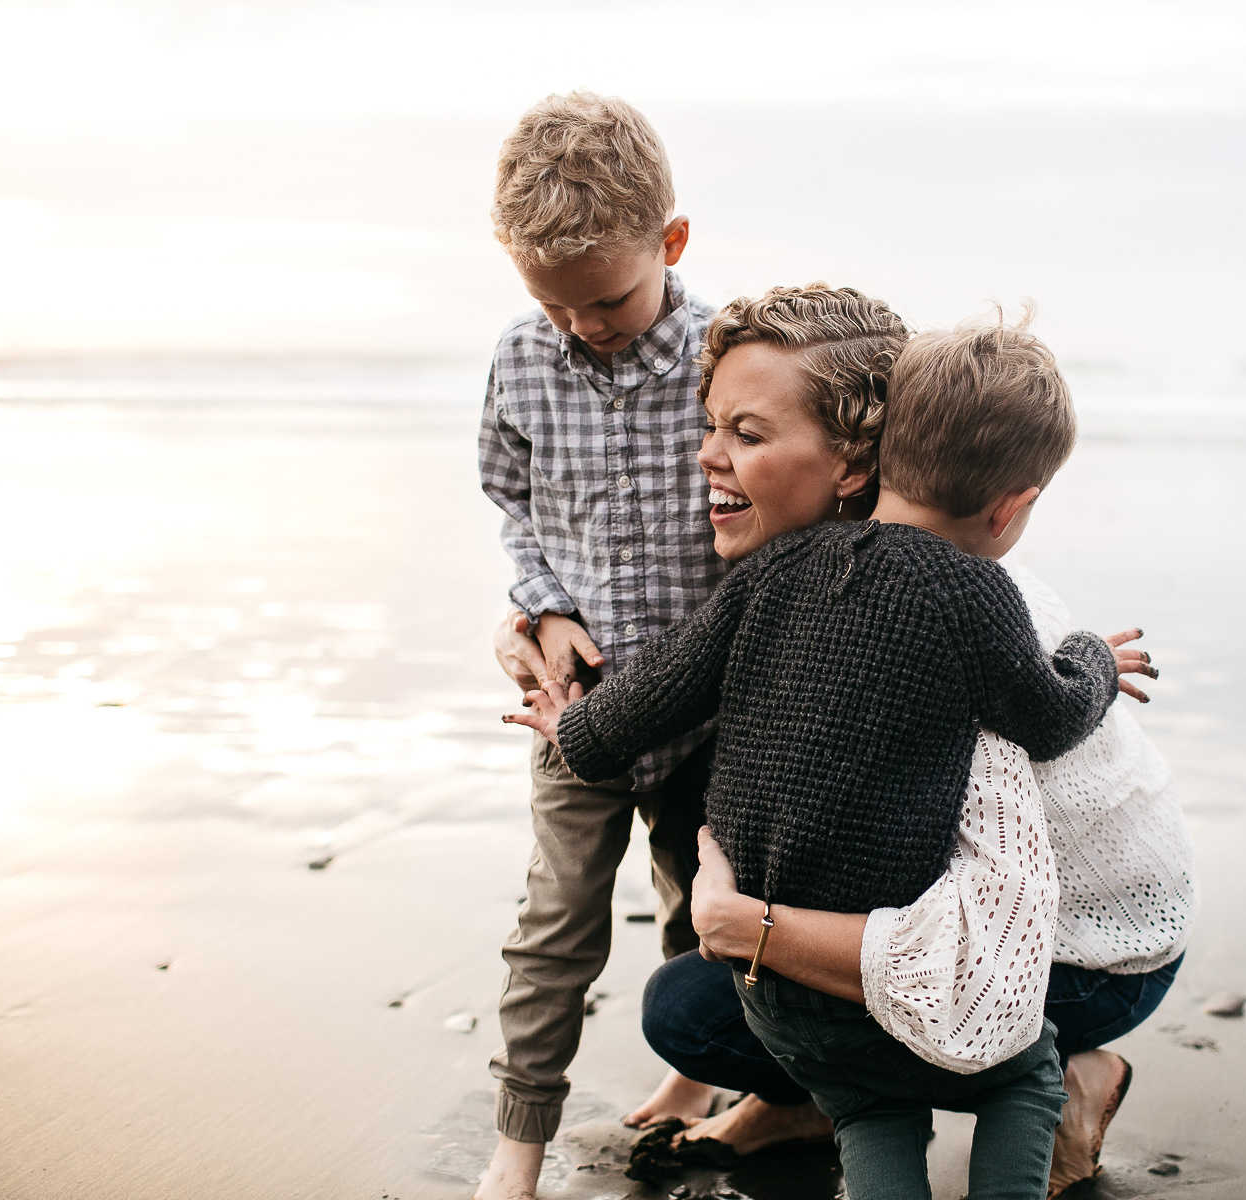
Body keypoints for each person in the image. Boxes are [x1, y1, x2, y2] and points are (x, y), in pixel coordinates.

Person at [508, 298, 1119, 1200]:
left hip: (772, 997)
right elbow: (1055, 718)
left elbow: (630, 718)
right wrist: (1092, 657)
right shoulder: (977, 595)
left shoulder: (764, 574)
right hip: (878, 965)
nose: (712, 452)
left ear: (868, 455)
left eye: (742, 432)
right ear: (1013, 507)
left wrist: (569, 719)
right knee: (1025, 1077)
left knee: (870, 1109)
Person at [473, 89, 725, 1200]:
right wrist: (540, 608)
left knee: (699, 907)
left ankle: (693, 1077)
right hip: (573, 708)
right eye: (555, 303)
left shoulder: (731, 357)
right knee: (554, 922)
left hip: (711, 710)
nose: (585, 324)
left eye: (609, 298)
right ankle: (517, 1145)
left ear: (670, 241)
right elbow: (512, 502)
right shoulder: (522, 359)